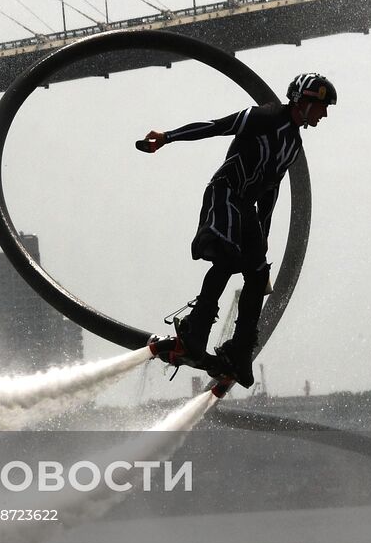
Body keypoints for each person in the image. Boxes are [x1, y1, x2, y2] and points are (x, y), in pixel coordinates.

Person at [136, 72, 336, 388]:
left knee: (258, 274)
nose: (325, 114)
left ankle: (239, 350)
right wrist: (168, 137)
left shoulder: (293, 146)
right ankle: (196, 330)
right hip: (225, 192)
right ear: (305, 101)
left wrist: (265, 233)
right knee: (227, 258)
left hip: (246, 209)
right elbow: (217, 126)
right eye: (322, 106)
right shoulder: (265, 117)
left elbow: (271, 189)